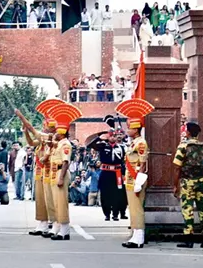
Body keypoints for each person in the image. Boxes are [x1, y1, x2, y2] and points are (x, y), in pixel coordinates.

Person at [116, 98, 154, 249]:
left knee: (137, 207)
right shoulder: (133, 143)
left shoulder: (141, 143)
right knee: (132, 207)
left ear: (136, 129)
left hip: (136, 178)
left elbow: (143, 162)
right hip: (130, 178)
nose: (127, 130)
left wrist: (139, 181)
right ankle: (135, 234)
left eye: (129, 128)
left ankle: (139, 237)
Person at [17, 103, 60, 237]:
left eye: (47, 125)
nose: (45, 127)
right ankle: (42, 222)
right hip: (39, 172)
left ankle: (53, 223)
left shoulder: (48, 138)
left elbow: (31, 128)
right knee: (40, 199)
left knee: (49, 199)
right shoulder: (43, 139)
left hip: (49, 172)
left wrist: (21, 116)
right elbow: (31, 143)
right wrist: (25, 133)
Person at [173, 122, 203, 249]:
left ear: (188, 133)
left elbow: (177, 167)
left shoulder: (183, 146)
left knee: (187, 209)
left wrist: (176, 185)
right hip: (202, 181)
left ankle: (188, 239)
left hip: (187, 182)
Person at [46, 102, 82, 240]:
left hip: (61, 173)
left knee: (61, 202)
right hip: (55, 172)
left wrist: (61, 178)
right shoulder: (59, 143)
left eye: (56, 131)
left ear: (61, 132)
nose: (54, 132)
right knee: (56, 202)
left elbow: (66, 162)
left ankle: (65, 230)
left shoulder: (65, 144)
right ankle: (60, 227)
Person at [88, 128, 126, 221]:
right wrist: (99, 136)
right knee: (105, 194)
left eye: (115, 136)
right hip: (105, 172)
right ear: (108, 137)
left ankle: (116, 214)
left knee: (117, 194)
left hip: (117, 173)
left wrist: (123, 173)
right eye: (111, 136)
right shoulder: (102, 146)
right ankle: (107, 214)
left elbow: (123, 162)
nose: (113, 138)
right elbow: (90, 145)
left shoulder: (121, 147)